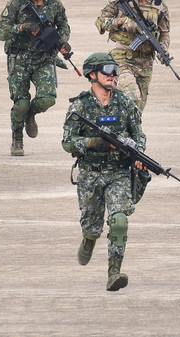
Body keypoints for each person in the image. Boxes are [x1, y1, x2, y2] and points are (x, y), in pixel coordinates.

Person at [62, 52, 147, 291]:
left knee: (119, 221)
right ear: (92, 74)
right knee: (92, 225)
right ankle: (89, 239)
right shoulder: (80, 106)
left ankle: (114, 273)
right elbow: (67, 142)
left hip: (119, 172)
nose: (113, 75)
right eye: (107, 70)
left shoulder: (125, 103)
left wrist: (138, 154)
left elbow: (139, 134)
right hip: (90, 174)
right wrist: (92, 143)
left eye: (115, 70)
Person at [0, 0, 71, 156]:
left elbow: (64, 26)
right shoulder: (17, 3)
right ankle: (17, 137)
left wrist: (62, 42)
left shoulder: (54, 3)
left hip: (43, 58)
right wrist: (22, 27)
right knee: (20, 103)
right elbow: (1, 32)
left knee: (48, 99)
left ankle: (31, 114)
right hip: (20, 59)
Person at [95, 0, 169, 111]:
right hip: (123, 58)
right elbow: (100, 22)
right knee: (132, 96)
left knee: (137, 111)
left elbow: (164, 33)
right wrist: (123, 22)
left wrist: (163, 49)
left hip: (145, 63)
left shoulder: (160, 6)